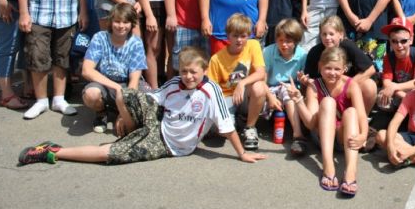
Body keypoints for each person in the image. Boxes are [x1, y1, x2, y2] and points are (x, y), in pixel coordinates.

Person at [18, 47, 266, 166]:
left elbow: (227, 127)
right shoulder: (175, 83)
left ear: (204, 71)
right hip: (156, 122)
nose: (189, 76)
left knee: (111, 154)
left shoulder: (210, 91)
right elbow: (150, 98)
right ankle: (128, 126)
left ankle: (52, 150)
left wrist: (241, 153)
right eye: (185, 71)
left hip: (166, 144)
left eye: (194, 72)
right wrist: (126, 115)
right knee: (124, 93)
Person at [287, 46, 369, 197]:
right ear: (320, 67)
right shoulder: (314, 86)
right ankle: (328, 165)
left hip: (343, 137)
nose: (332, 73)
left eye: (337, 69)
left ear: (344, 69)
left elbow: (362, 116)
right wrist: (298, 99)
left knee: (351, 112)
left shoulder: (351, 85)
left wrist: (363, 135)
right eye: (328, 68)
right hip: (322, 136)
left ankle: (350, 172)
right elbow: (311, 124)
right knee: (328, 102)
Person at [81, 3, 147, 133]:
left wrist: (124, 113)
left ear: (132, 24)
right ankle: (101, 112)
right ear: (111, 22)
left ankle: (120, 112)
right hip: (104, 82)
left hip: (127, 83)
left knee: (148, 99)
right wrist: (116, 87)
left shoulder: (136, 42)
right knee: (91, 94)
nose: (121, 26)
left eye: (126, 22)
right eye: (117, 21)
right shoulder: (100, 38)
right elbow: (86, 70)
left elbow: (134, 80)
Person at [207, 13, 268, 151]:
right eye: (235, 35)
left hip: (245, 94)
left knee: (259, 86)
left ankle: (250, 128)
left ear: (248, 35)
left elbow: (261, 73)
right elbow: (212, 88)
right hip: (227, 97)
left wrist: (242, 83)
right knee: (222, 133)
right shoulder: (217, 58)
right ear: (228, 36)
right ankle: (235, 120)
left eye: (243, 36)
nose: (239, 40)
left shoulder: (253, 45)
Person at [304, 16, 378, 116]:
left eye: (331, 34)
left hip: (347, 92)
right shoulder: (315, 52)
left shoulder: (348, 46)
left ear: (341, 34)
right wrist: (305, 81)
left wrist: (347, 86)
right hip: (325, 93)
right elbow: (311, 78)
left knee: (370, 85)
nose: (327, 38)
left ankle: (362, 121)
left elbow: (370, 69)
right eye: (324, 34)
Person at [262, 18, 308, 156]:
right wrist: (270, 97)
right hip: (270, 88)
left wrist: (304, 81)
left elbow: (304, 81)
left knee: (288, 90)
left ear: (296, 41)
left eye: (288, 41)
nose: (284, 45)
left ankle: (298, 135)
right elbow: (262, 80)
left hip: (290, 88)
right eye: (280, 40)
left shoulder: (302, 55)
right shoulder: (269, 52)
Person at [376, 18, 415, 114]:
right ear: (390, 42)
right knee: (381, 99)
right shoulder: (388, 57)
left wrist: (395, 87)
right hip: (399, 93)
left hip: (413, 91)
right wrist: (402, 95)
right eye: (394, 41)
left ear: (411, 40)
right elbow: (387, 83)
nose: (399, 45)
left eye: (403, 41)